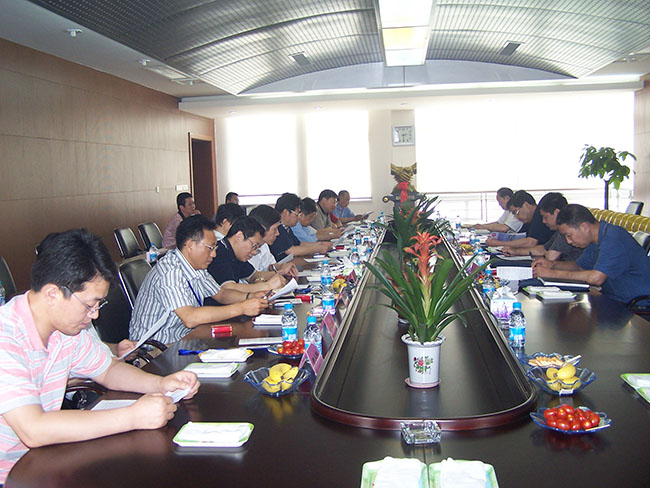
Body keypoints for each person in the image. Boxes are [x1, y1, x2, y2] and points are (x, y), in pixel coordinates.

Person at [0, 229, 199, 483]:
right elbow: (33, 430)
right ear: (52, 294)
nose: (94, 315)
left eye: (98, 305)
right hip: (11, 474)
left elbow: (107, 370)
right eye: (90, 305)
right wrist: (132, 417)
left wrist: (161, 384)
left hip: (45, 461)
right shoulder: (6, 337)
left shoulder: (66, 329)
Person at [129, 215, 268, 344]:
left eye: (215, 248)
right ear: (190, 245)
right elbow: (190, 318)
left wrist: (250, 297)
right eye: (210, 248)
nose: (214, 254)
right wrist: (242, 308)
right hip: (156, 350)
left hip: (184, 339)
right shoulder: (170, 272)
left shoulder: (197, 267)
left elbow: (221, 294)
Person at [533, 204, 650, 304]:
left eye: (569, 235)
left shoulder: (613, 237)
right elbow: (579, 267)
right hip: (613, 299)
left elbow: (596, 278)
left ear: (584, 227)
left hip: (636, 305)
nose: (568, 241)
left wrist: (552, 274)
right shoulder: (596, 239)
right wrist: (552, 265)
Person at [206, 216, 286, 298]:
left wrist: (276, 275)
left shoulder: (236, 254)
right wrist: (267, 286)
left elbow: (253, 275)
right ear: (239, 236)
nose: (254, 252)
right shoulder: (219, 252)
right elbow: (228, 288)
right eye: (254, 246)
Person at [501, 192, 582, 263]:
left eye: (545, 217)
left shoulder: (565, 230)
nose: (543, 221)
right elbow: (543, 249)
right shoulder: (558, 231)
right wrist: (516, 251)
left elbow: (550, 257)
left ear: (557, 213)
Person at [270, 193, 332, 262]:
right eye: (297, 214)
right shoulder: (277, 228)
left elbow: (299, 244)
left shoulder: (287, 227)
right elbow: (291, 250)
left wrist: (320, 244)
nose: (299, 218)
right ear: (286, 213)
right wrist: (317, 248)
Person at [485, 190, 553, 249]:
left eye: (516, 212)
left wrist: (499, 243)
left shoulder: (540, 216)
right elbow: (522, 237)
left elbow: (530, 242)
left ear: (526, 205)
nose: (517, 217)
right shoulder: (529, 219)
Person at [249, 205, 299, 277]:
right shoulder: (247, 249)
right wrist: (280, 272)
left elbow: (270, 266)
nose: (277, 233)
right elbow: (254, 277)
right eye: (275, 229)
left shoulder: (264, 245)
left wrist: (282, 267)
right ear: (262, 228)